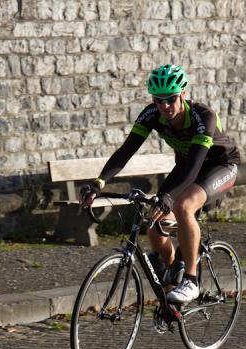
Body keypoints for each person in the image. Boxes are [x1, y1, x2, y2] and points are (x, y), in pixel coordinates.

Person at [81, 64, 240, 304]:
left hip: (220, 166)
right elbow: (125, 151)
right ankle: (172, 281)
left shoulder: (203, 117)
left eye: (171, 99)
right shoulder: (152, 114)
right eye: (158, 100)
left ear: (183, 94)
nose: (165, 106)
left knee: (183, 206)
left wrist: (169, 196)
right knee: (154, 226)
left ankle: (191, 281)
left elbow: (195, 165)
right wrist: (98, 183)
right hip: (186, 168)